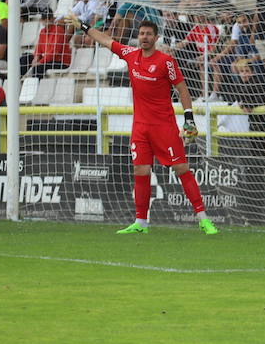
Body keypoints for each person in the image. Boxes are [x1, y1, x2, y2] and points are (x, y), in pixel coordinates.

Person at [71, 17, 218, 234]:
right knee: (140, 169)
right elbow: (105, 40)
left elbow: (183, 89)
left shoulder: (165, 61)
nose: (144, 37)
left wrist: (188, 119)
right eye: (141, 34)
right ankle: (141, 222)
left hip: (164, 126)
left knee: (181, 169)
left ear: (156, 38)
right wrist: (83, 26)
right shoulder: (131, 55)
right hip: (140, 127)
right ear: (138, 36)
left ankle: (204, 219)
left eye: (149, 34)